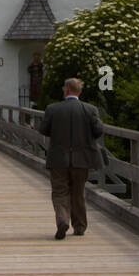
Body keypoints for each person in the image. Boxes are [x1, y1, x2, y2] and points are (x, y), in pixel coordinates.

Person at [38, 77, 103, 239]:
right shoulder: (90, 110)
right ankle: (79, 226)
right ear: (79, 92)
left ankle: (62, 220)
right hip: (82, 159)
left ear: (66, 90)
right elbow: (98, 131)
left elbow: (44, 130)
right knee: (78, 192)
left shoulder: (52, 109)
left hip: (58, 158)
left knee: (60, 192)